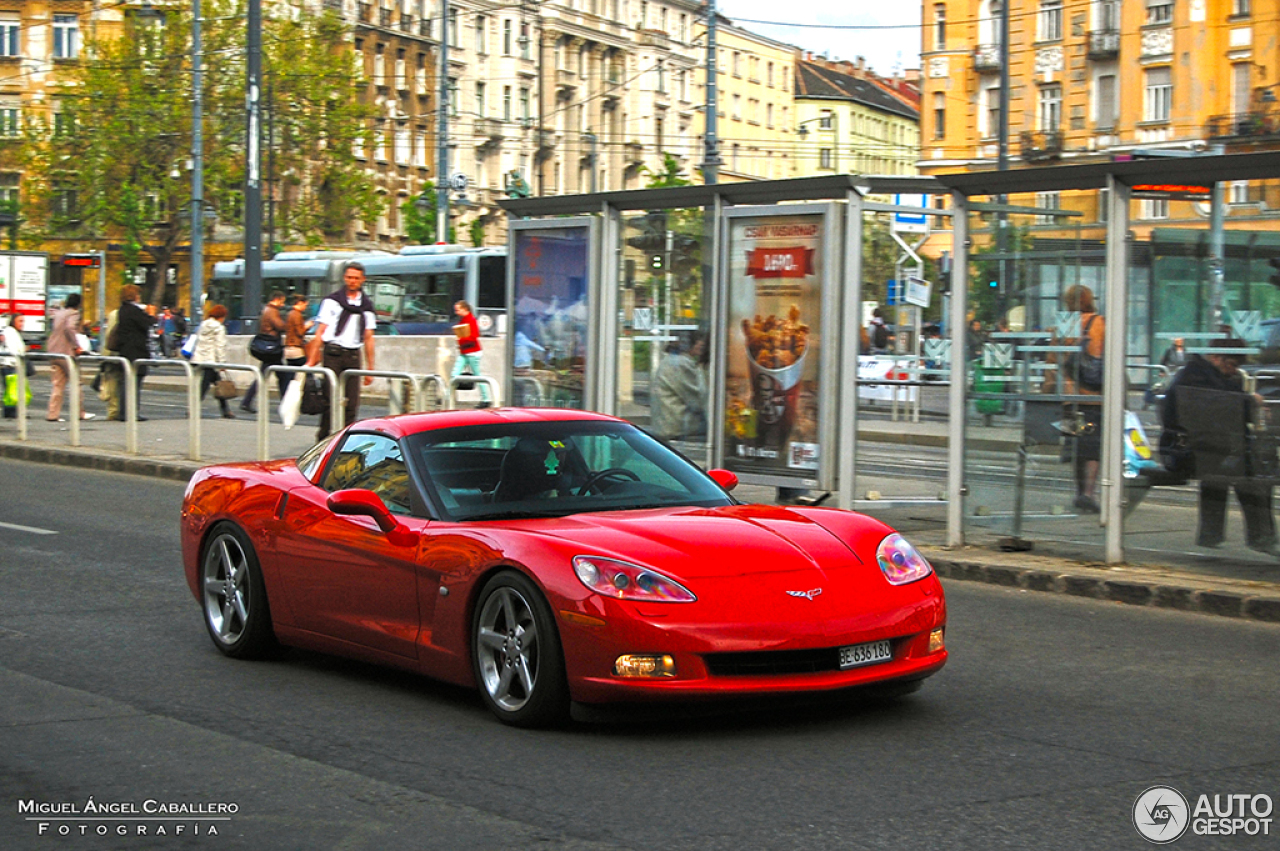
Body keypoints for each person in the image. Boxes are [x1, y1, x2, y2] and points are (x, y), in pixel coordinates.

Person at [1161, 338, 1276, 553]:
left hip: (1201, 449)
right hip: (1190, 452)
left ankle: (1212, 534)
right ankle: (1261, 537)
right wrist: (1251, 402)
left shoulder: (1203, 375)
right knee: (1252, 476)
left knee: (1232, 466)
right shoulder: (1198, 377)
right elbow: (1223, 409)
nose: (1234, 371)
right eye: (1231, 365)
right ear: (1216, 357)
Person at [306, 262, 376, 441]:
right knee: (330, 400)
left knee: (352, 404)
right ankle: (323, 440)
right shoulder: (332, 301)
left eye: (356, 278)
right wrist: (312, 360)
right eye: (349, 277)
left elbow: (368, 337)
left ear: (362, 280)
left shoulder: (366, 306)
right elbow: (320, 332)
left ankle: (344, 442)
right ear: (345, 278)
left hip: (353, 354)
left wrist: (370, 367)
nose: (352, 281)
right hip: (333, 353)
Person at [1061, 284, 1104, 513]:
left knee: (1075, 444)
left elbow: (1054, 357)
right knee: (1093, 446)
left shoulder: (1066, 323)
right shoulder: (1100, 322)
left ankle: (1079, 493)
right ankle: (1089, 492)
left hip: (1069, 397)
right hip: (1094, 396)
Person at [46, 293, 94, 422]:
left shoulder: (59, 313)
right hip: (66, 352)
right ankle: (79, 413)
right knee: (76, 382)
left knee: (58, 384)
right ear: (78, 304)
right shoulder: (74, 314)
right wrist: (76, 345)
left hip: (54, 351)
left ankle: (53, 414)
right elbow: (69, 328)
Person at [651, 332, 708, 441]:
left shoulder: (669, 360)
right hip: (678, 428)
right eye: (700, 343)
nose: (703, 347)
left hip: (665, 425)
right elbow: (699, 400)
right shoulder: (681, 363)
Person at [113, 284, 156, 421]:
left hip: (125, 350)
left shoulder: (123, 310)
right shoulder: (134, 311)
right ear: (134, 296)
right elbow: (147, 323)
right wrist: (151, 314)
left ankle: (124, 411)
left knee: (126, 382)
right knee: (134, 383)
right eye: (138, 294)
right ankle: (130, 412)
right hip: (136, 351)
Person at [241, 290, 287, 414]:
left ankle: (246, 401)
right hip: (271, 347)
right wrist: (288, 324)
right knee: (282, 376)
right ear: (276, 300)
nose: (283, 305)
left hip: (268, 347)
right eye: (282, 301)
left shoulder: (266, 309)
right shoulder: (272, 311)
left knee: (265, 375)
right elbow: (280, 326)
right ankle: (285, 404)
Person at [194, 304, 235, 419]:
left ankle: (226, 410)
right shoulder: (219, 328)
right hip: (211, 360)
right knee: (205, 385)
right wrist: (222, 362)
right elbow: (220, 346)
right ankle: (193, 408)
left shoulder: (203, 324)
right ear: (222, 316)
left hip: (200, 359)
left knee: (217, 383)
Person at [452, 300, 491, 407]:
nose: (456, 312)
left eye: (458, 309)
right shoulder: (464, 320)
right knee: (454, 374)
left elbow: (474, 335)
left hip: (472, 352)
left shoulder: (471, 320)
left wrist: (463, 338)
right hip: (465, 351)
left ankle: (486, 399)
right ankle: (448, 396)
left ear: (465, 309)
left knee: (477, 376)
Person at [281, 292, 313, 387]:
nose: (305, 307)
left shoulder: (290, 314)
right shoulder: (297, 315)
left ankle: (289, 394)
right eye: (305, 305)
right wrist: (307, 326)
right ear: (300, 303)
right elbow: (300, 332)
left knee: (291, 375)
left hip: (288, 349)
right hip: (296, 349)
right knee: (308, 371)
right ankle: (312, 393)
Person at [1, 313, 26, 418]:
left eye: (23, 321)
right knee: (12, 390)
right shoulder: (11, 332)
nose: (22, 324)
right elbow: (13, 349)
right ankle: (11, 412)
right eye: (20, 321)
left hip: (8, 364)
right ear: (13, 321)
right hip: (10, 364)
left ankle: (10, 412)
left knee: (10, 390)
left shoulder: (11, 332)